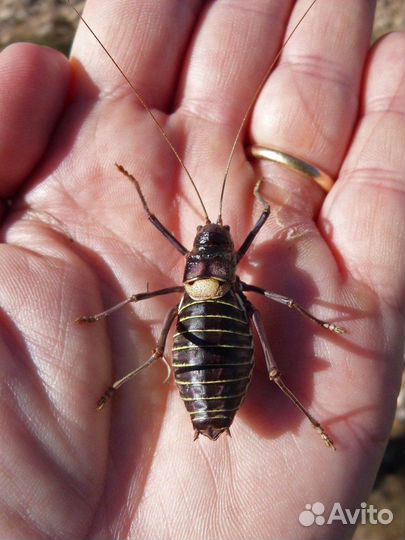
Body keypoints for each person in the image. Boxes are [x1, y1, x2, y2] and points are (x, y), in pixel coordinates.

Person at [0, 1, 403, 538]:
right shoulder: (243, 278)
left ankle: (133, 385)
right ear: (227, 255)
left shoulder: (202, 275)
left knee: (173, 330)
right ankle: (303, 415)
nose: (214, 235)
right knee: (254, 344)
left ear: (197, 254)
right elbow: (260, 220)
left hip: (203, 329)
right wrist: (316, 314)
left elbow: (208, 216)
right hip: (223, 326)